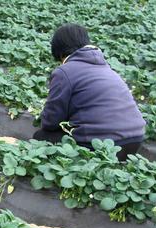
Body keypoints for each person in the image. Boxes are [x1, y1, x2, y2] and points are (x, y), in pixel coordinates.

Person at [33, 24, 146, 161]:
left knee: (41, 137)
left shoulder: (64, 71)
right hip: (135, 140)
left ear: (60, 52)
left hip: (102, 143)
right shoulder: (107, 70)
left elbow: (51, 122)